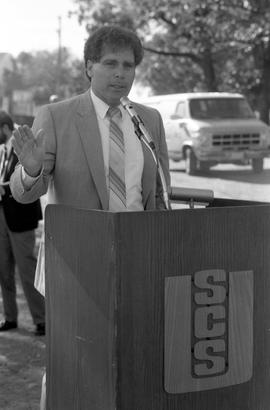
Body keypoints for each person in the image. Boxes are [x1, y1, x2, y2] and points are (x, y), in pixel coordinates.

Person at [10, 25, 170, 409]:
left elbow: (161, 196)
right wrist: (31, 170)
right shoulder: (56, 115)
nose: (120, 73)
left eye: (128, 65)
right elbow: (23, 191)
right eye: (110, 64)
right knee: (74, 366)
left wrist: (165, 250)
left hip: (138, 263)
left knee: (131, 360)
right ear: (88, 67)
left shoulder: (149, 120)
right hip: (75, 267)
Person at [0, 111, 45, 336]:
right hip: (2, 216)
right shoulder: (3, 149)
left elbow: (30, 177)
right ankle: (10, 317)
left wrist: (5, 188)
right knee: (3, 271)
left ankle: (42, 319)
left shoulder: (22, 145)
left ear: (5, 128)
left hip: (20, 218)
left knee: (27, 272)